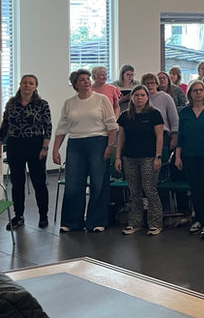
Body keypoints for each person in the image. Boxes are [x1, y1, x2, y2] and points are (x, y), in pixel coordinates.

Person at [52, 69, 118, 233]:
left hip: (98, 142)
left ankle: (97, 221)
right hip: (76, 144)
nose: (87, 81)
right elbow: (62, 127)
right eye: (82, 79)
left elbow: (112, 125)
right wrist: (55, 149)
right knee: (73, 183)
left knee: (98, 183)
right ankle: (72, 222)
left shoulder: (101, 99)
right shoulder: (69, 103)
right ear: (75, 84)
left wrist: (110, 146)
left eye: (88, 79)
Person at [0, 75, 51, 229]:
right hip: (15, 144)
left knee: (38, 182)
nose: (27, 85)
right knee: (17, 182)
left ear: (35, 86)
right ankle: (19, 216)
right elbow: (5, 126)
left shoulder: (42, 104)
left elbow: (47, 127)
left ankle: (43, 215)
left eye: (31, 83)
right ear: (20, 84)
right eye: (24, 83)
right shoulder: (11, 103)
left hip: (35, 144)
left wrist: (45, 148)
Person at [115, 85, 165, 236]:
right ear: (132, 97)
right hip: (129, 158)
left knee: (150, 189)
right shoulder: (125, 116)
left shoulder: (154, 114)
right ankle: (135, 222)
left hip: (149, 157)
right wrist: (118, 157)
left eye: (143, 95)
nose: (139, 98)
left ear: (147, 97)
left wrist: (158, 156)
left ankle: (155, 224)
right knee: (134, 192)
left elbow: (160, 137)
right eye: (136, 95)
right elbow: (121, 138)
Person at [175, 80, 204, 239]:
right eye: (195, 90)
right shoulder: (184, 112)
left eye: (201, 90)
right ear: (190, 93)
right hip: (189, 155)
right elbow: (180, 136)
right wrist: (178, 156)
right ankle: (198, 219)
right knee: (194, 189)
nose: (198, 93)